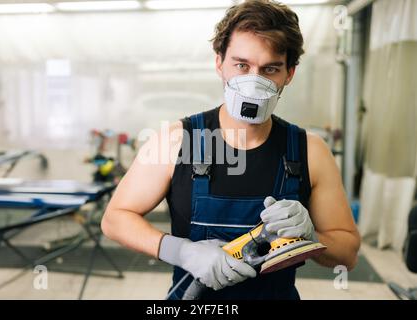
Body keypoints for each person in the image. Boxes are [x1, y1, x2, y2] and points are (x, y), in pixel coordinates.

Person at [101, 0, 360, 300]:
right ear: (219, 63)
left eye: (270, 69)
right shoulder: (175, 140)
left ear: (289, 73)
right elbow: (115, 218)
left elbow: (348, 253)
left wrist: (312, 237)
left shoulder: (310, 152)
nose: (254, 82)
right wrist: (181, 251)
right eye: (241, 65)